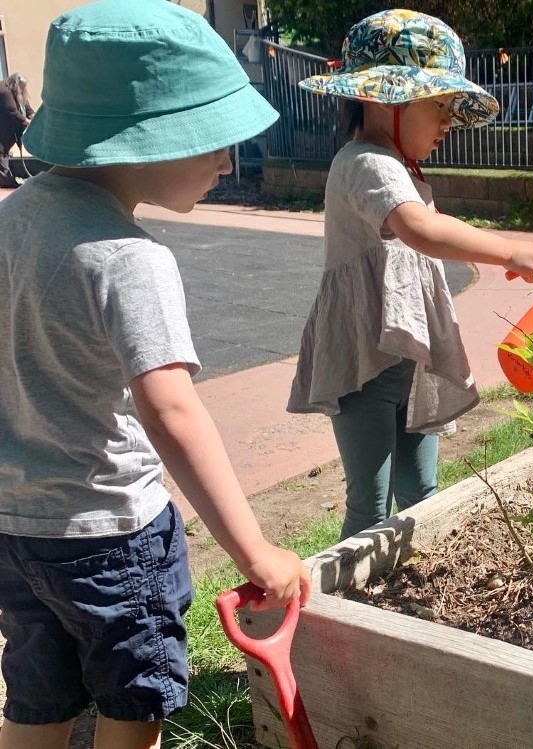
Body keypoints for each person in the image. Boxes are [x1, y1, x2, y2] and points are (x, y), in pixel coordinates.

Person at [0, 1, 311, 747]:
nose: (226, 162)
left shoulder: (12, 219)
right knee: (132, 705)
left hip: (16, 528)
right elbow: (171, 410)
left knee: (38, 702)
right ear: (143, 138)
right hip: (112, 535)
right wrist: (254, 551)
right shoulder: (130, 258)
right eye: (210, 140)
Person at [287, 9, 533, 539]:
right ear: (390, 99)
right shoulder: (364, 162)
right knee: (371, 502)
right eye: (438, 107)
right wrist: (507, 251)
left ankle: (404, 589)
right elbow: (420, 230)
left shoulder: (401, 166)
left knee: (422, 494)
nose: (447, 124)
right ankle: (353, 611)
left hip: (410, 356)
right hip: (365, 359)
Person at [0, 73, 34, 188]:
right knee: (1, 152)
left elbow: (27, 108)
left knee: (3, 152)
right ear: (16, 84)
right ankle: (4, 180)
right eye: (21, 87)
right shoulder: (4, 92)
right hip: (3, 132)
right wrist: (28, 122)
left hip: (8, 133)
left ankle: (5, 178)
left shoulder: (19, 93)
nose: (23, 89)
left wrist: (34, 117)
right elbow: (12, 112)